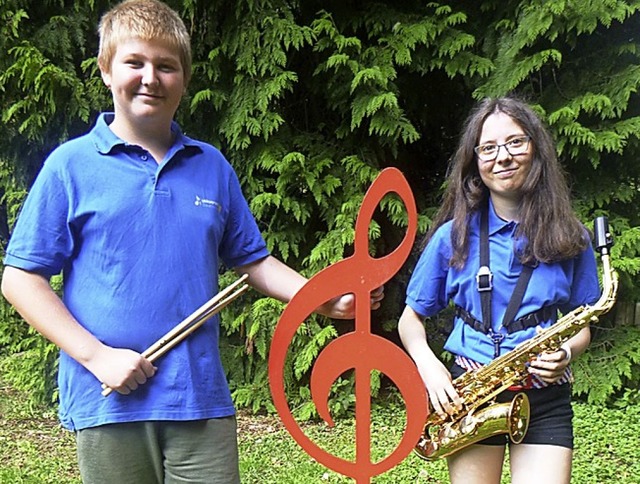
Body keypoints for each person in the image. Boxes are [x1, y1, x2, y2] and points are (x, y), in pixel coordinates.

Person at [0, 1, 382, 482]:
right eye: (134, 62)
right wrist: (97, 357)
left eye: (166, 66)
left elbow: (254, 263)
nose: (150, 78)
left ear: (184, 77)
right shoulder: (70, 165)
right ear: (105, 70)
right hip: (109, 399)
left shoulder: (211, 166)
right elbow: (20, 278)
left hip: (198, 398)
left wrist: (319, 296)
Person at [398, 97, 601, 484]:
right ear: (475, 161)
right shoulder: (451, 237)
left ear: (536, 149)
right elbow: (411, 320)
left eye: (515, 143)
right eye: (488, 148)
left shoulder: (572, 236)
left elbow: (582, 324)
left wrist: (566, 350)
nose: (502, 157)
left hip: (545, 396)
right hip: (471, 395)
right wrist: (430, 368)